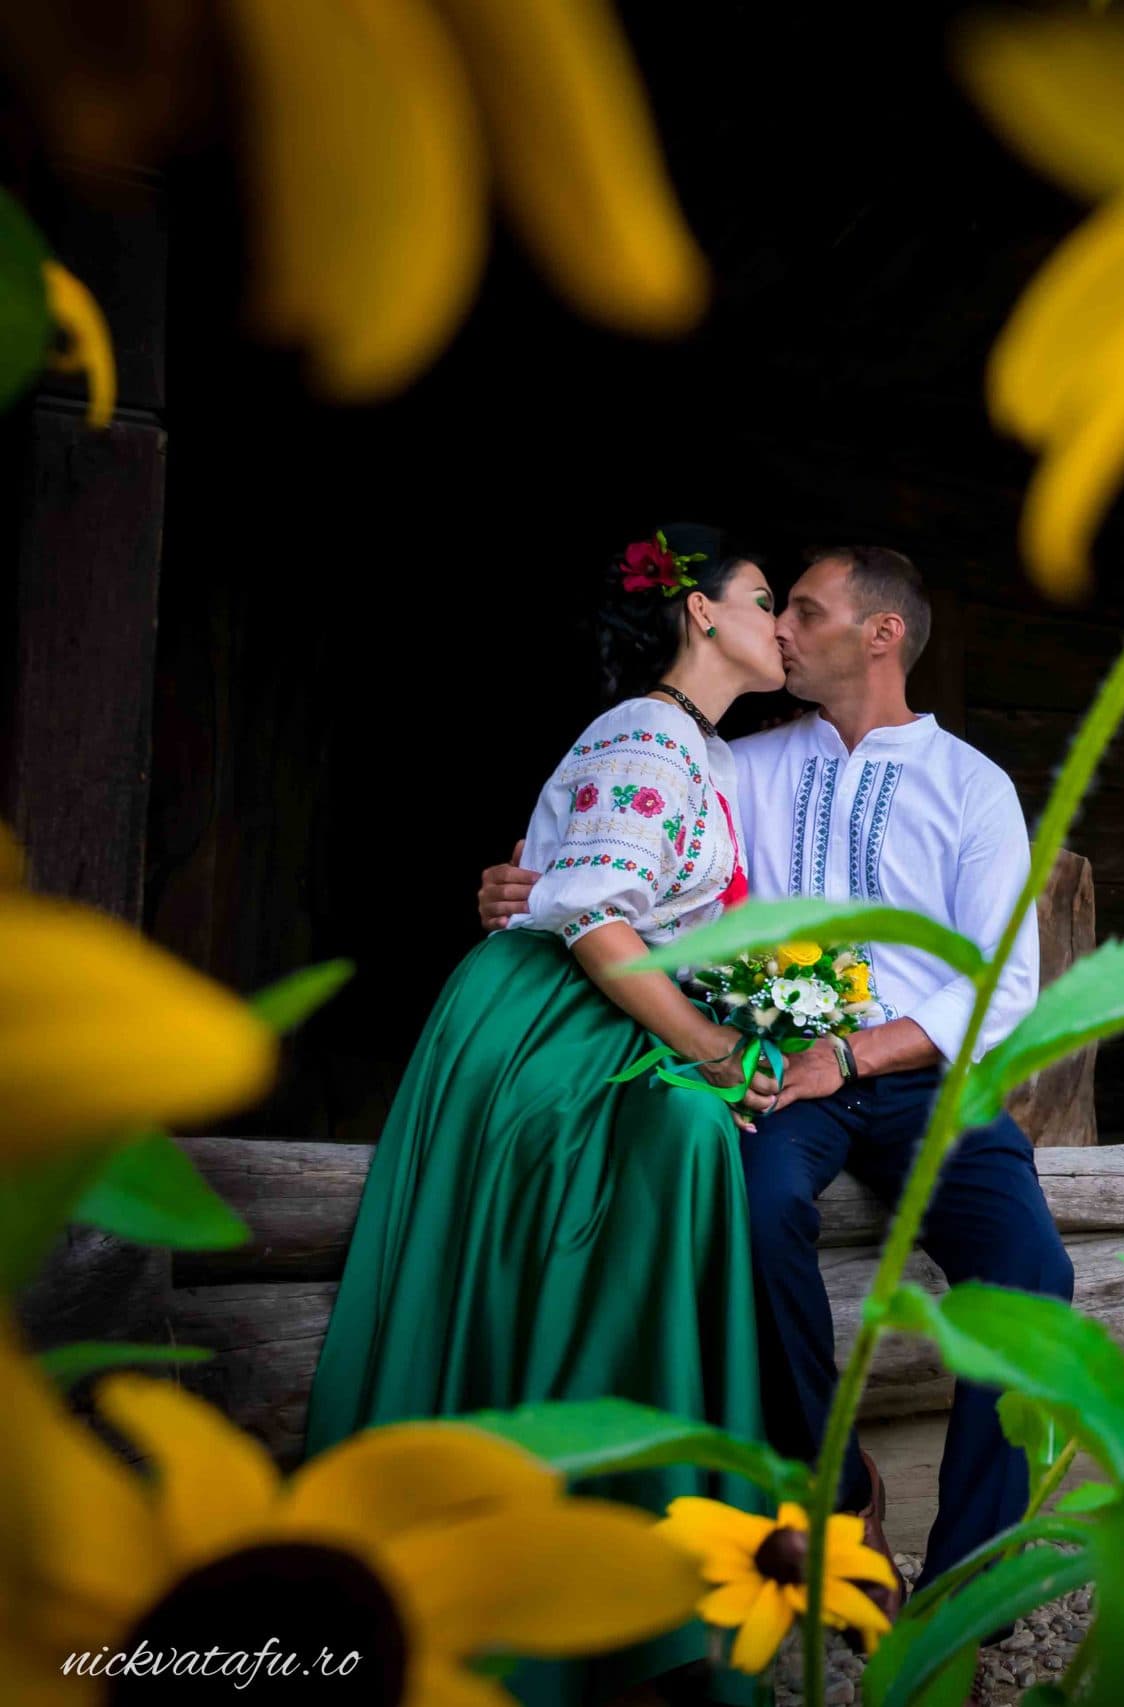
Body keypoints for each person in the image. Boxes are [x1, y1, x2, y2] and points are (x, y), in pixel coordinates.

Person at [478, 544, 1074, 1603]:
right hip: (771, 1070)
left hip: (918, 1072)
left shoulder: (970, 785)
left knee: (1031, 1271)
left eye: (806, 610)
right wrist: (528, 880)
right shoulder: (742, 763)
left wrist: (851, 1052)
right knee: (751, 1213)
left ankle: (972, 1575)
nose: (784, 629)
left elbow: (1005, 981)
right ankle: (839, 1503)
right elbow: (628, 829)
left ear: (881, 634)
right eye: (780, 608)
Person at [308, 525, 786, 1706]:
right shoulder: (647, 732)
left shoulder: (692, 748)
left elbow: (589, 887)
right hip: (549, 1023)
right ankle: (581, 1531)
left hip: (581, 1012)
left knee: (680, 1151)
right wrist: (718, 1051)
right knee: (678, 1145)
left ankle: (630, 1538)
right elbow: (588, 914)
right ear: (702, 614)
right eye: (765, 598)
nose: (779, 624)